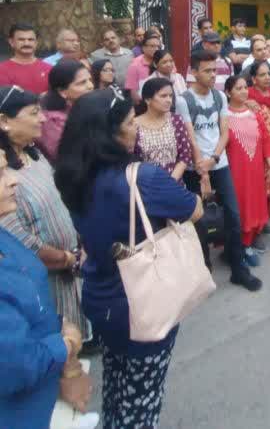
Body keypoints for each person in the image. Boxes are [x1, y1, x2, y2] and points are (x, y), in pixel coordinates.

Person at [55, 90, 204, 428]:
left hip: (100, 297)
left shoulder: (72, 176)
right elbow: (193, 209)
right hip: (142, 303)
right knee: (143, 399)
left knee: (118, 380)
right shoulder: (143, 178)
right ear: (110, 133)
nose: (135, 126)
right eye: (128, 122)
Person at [0, 145, 93, 426]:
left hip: (43, 399)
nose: (13, 179)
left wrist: (68, 366)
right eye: (1, 173)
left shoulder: (4, 234)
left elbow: (32, 303)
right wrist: (64, 345)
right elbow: (13, 367)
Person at [0, 85, 88, 342]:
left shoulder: (35, 156)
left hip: (69, 269)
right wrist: (66, 259)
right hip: (46, 279)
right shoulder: (4, 177)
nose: (42, 118)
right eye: (34, 112)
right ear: (4, 121)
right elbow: (18, 237)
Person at [176, 52, 263, 291]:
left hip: (219, 163)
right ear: (194, 72)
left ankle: (238, 268)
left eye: (214, 70)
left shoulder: (218, 97)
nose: (213, 75)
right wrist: (202, 170)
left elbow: (224, 132)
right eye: (207, 70)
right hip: (196, 168)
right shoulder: (184, 100)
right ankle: (203, 269)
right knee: (199, 220)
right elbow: (190, 136)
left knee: (233, 216)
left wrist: (213, 159)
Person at [224, 75, 270, 264]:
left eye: (245, 87)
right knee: (238, 208)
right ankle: (236, 249)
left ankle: (247, 244)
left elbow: (266, 142)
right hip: (234, 173)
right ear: (228, 92)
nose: (244, 91)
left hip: (255, 172)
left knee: (254, 204)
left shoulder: (255, 115)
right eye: (238, 88)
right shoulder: (223, 117)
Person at [244, 60, 270, 241]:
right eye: (262, 75)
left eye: (269, 73)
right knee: (259, 191)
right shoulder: (247, 98)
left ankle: (264, 222)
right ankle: (254, 229)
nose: (267, 77)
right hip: (257, 153)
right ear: (253, 79)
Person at [133, 78, 195, 183]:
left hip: (174, 185)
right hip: (146, 186)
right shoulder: (134, 125)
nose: (169, 100)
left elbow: (185, 155)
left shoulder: (176, 120)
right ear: (148, 99)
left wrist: (170, 183)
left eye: (171, 96)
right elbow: (132, 161)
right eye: (163, 96)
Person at [37, 59, 93, 162]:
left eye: (90, 80)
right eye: (82, 83)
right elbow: (66, 156)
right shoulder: (50, 121)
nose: (90, 86)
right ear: (62, 91)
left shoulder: (84, 106)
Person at [0, 24, 53, 94]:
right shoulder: (2, 70)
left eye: (30, 40)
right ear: (11, 42)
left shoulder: (49, 68)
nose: (26, 43)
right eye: (21, 39)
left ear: (36, 42)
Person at [123, 32, 161, 106]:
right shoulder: (135, 65)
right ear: (143, 48)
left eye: (158, 46)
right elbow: (133, 92)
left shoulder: (163, 61)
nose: (156, 49)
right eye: (152, 46)